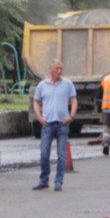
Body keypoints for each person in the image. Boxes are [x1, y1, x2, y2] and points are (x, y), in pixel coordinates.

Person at [32, 59, 78, 191]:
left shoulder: (67, 84)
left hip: (62, 123)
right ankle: (44, 180)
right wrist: (39, 117)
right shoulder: (42, 85)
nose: (59, 71)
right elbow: (36, 101)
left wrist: (71, 116)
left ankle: (59, 181)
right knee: (44, 153)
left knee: (61, 154)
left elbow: (74, 100)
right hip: (47, 124)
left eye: (61, 69)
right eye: (57, 69)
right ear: (50, 69)